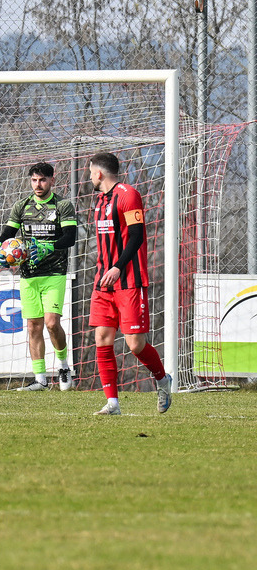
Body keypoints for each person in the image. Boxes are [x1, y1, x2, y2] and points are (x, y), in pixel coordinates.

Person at [87, 152, 172, 415]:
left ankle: (162, 379)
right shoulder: (100, 201)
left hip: (129, 281)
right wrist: (106, 269)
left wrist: (118, 267)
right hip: (103, 281)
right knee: (102, 338)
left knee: (135, 344)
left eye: (90, 172)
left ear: (99, 174)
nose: (89, 177)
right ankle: (112, 402)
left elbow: (136, 236)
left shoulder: (128, 195)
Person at [0, 162, 78, 392]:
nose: (38, 185)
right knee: (33, 326)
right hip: (29, 274)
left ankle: (63, 366)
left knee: (51, 323)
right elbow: (8, 234)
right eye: (34, 180)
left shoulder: (63, 206)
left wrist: (49, 248)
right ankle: (40, 379)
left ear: (52, 180)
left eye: (42, 180)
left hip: (54, 273)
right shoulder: (22, 206)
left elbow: (70, 238)